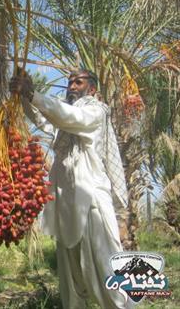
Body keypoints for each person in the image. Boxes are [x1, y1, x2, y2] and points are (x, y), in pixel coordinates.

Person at [10, 70, 131, 309]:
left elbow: (73, 118)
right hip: (65, 202)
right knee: (70, 279)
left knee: (105, 267)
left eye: (78, 82)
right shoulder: (64, 120)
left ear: (92, 89)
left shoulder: (95, 111)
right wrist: (24, 96)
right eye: (69, 82)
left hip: (91, 200)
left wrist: (33, 94)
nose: (72, 86)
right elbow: (46, 119)